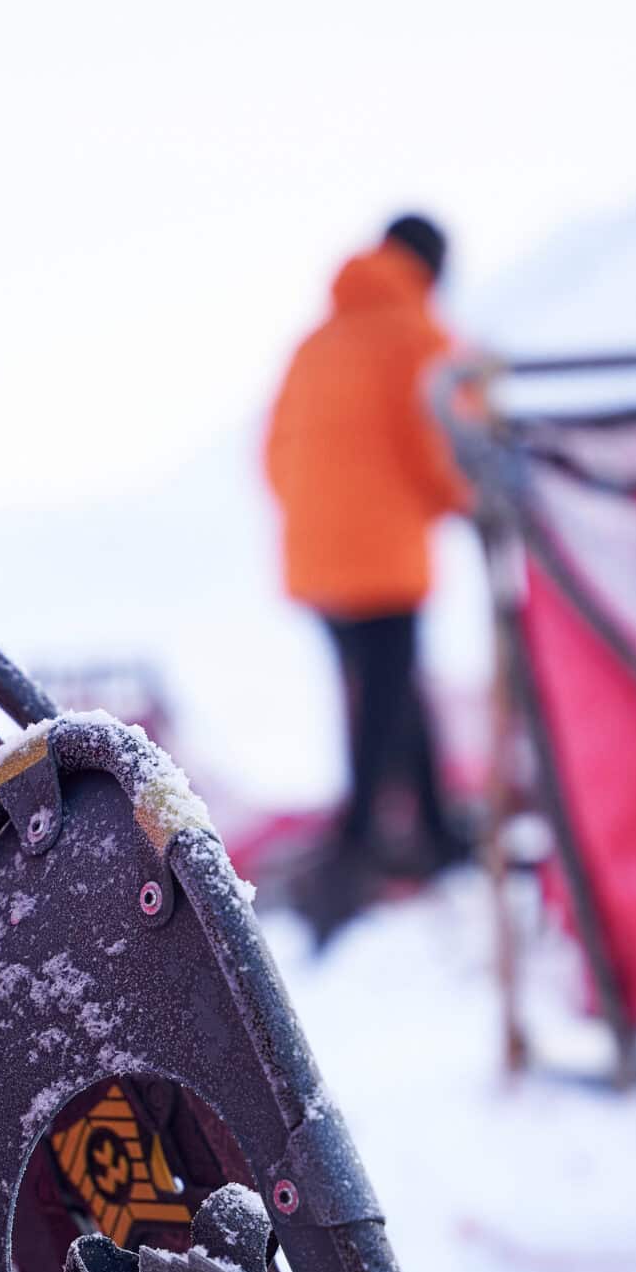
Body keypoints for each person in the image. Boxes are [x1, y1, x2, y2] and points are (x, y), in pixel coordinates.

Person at [265, 212, 470, 916]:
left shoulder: (315, 342)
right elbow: (442, 448)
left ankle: (435, 828)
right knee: (385, 701)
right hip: (381, 557)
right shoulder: (421, 336)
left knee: (392, 690)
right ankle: (355, 846)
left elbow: (273, 452)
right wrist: (464, 499)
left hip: (315, 556)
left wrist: (315, 520)